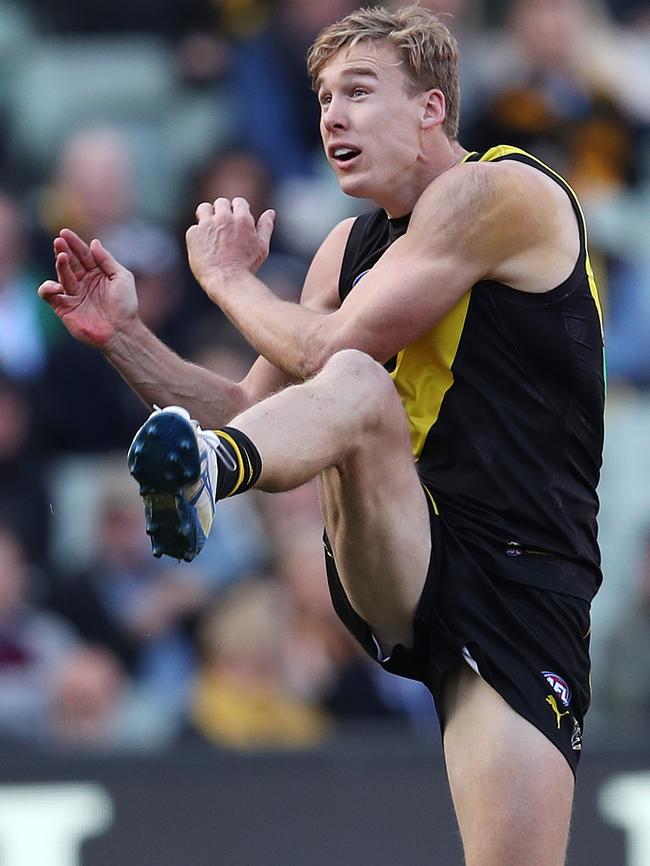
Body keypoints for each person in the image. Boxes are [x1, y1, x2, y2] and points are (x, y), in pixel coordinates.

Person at [38, 5, 605, 864]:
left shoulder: (502, 193)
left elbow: (333, 348)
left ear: (431, 109)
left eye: (359, 91)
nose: (331, 115)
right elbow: (246, 412)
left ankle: (205, 480)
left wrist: (229, 281)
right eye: (323, 96)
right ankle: (205, 480)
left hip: (526, 584)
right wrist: (124, 334)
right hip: (402, 540)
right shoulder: (346, 248)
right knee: (352, 390)